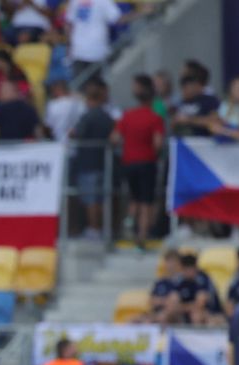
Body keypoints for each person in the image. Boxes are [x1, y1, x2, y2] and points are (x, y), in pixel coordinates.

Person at [113, 75, 164, 249]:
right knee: (146, 201)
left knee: (133, 198)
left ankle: (128, 225)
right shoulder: (155, 118)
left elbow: (114, 138)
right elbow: (158, 143)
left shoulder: (127, 116)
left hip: (128, 162)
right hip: (147, 163)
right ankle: (142, 235)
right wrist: (155, 153)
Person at [69, 77, 114, 239]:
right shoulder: (107, 116)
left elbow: (76, 134)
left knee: (91, 199)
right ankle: (100, 227)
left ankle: (94, 229)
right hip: (102, 162)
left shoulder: (88, 116)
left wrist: (72, 133)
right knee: (100, 197)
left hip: (88, 163)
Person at [63, 0, 122, 77]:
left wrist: (69, 45)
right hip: (94, 49)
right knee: (92, 81)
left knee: (83, 81)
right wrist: (136, 14)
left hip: (80, 49)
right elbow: (117, 19)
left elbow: (68, 24)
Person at [176, 253, 224, 325]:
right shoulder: (180, 281)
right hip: (188, 313)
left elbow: (200, 304)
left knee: (196, 316)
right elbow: (173, 304)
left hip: (212, 313)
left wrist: (182, 307)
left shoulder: (203, 279)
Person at [145, 248, 183, 323]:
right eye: (168, 261)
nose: (171, 265)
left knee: (163, 316)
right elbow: (151, 300)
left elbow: (176, 302)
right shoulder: (161, 282)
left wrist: (160, 301)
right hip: (157, 313)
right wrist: (165, 301)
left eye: (173, 261)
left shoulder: (183, 282)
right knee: (134, 320)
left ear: (179, 263)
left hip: (176, 316)